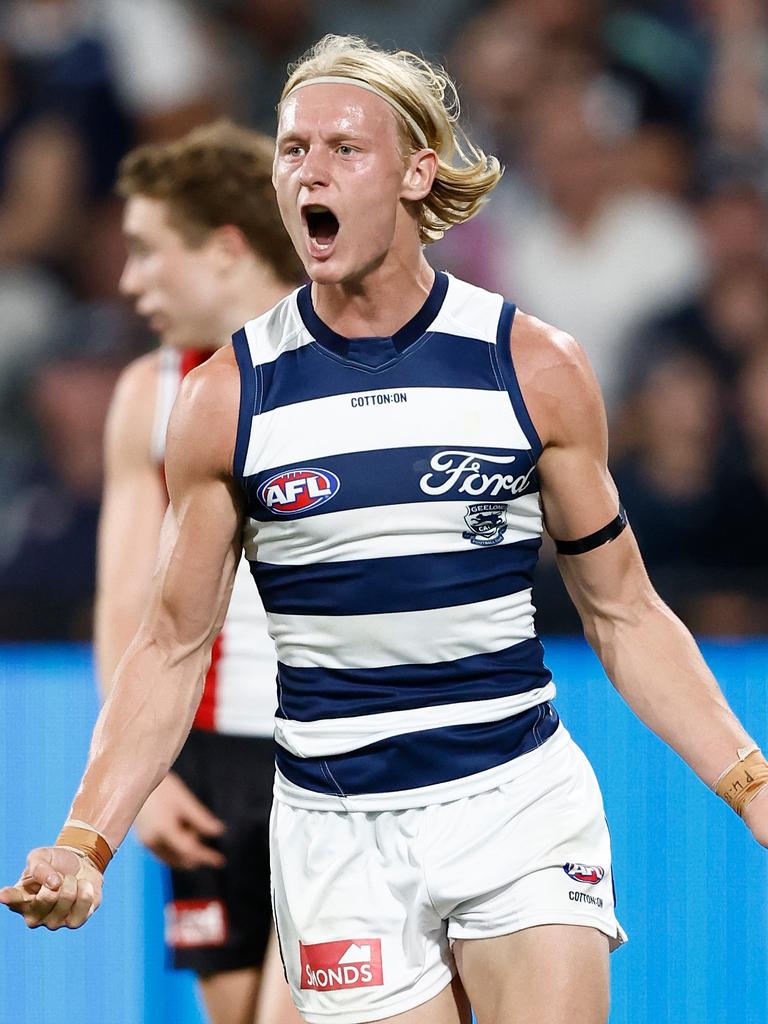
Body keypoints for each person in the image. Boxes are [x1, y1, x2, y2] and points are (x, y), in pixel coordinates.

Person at [3, 34, 768, 1024]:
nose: (309, 170)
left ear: (418, 172)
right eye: (292, 149)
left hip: (517, 802)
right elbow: (171, 645)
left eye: (343, 149)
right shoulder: (224, 399)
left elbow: (624, 612)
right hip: (338, 833)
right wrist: (84, 839)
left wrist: (749, 780)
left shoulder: (532, 366)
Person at [95, 121, 305, 1024]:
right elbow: (124, 605)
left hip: (332, 755)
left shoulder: (348, 371)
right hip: (209, 768)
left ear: (225, 249)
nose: (127, 280)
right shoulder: (149, 393)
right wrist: (139, 778)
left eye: (147, 252)